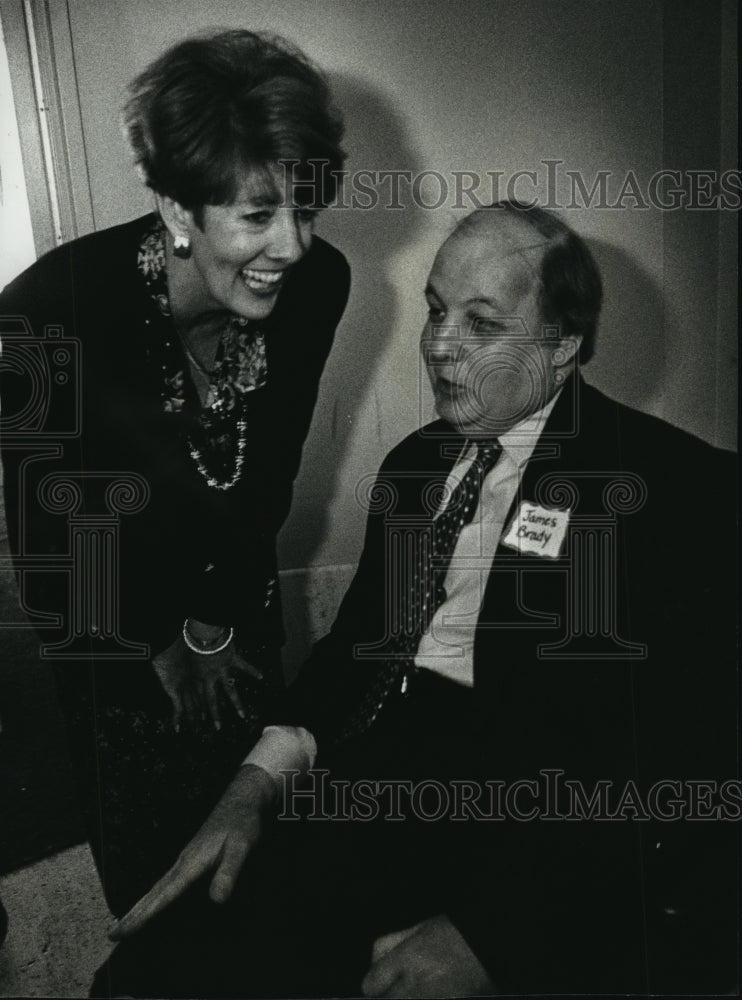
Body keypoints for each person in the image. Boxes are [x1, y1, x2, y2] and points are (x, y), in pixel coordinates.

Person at [102, 202, 736, 997]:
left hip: (529, 828)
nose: (439, 345)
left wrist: (493, 936)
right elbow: (353, 656)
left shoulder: (674, 487)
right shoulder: (415, 466)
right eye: (438, 311)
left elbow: (678, 762)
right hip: (371, 783)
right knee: (147, 973)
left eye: (482, 323)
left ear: (564, 343)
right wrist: (255, 784)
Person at [0, 29, 350, 916]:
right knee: (157, 882)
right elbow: (47, 545)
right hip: (111, 636)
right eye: (258, 215)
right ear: (174, 207)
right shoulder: (43, 316)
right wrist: (155, 641)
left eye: (306, 209)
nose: (296, 246)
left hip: (233, 609)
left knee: (259, 854)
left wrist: (212, 623)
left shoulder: (318, 286)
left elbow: (265, 478)